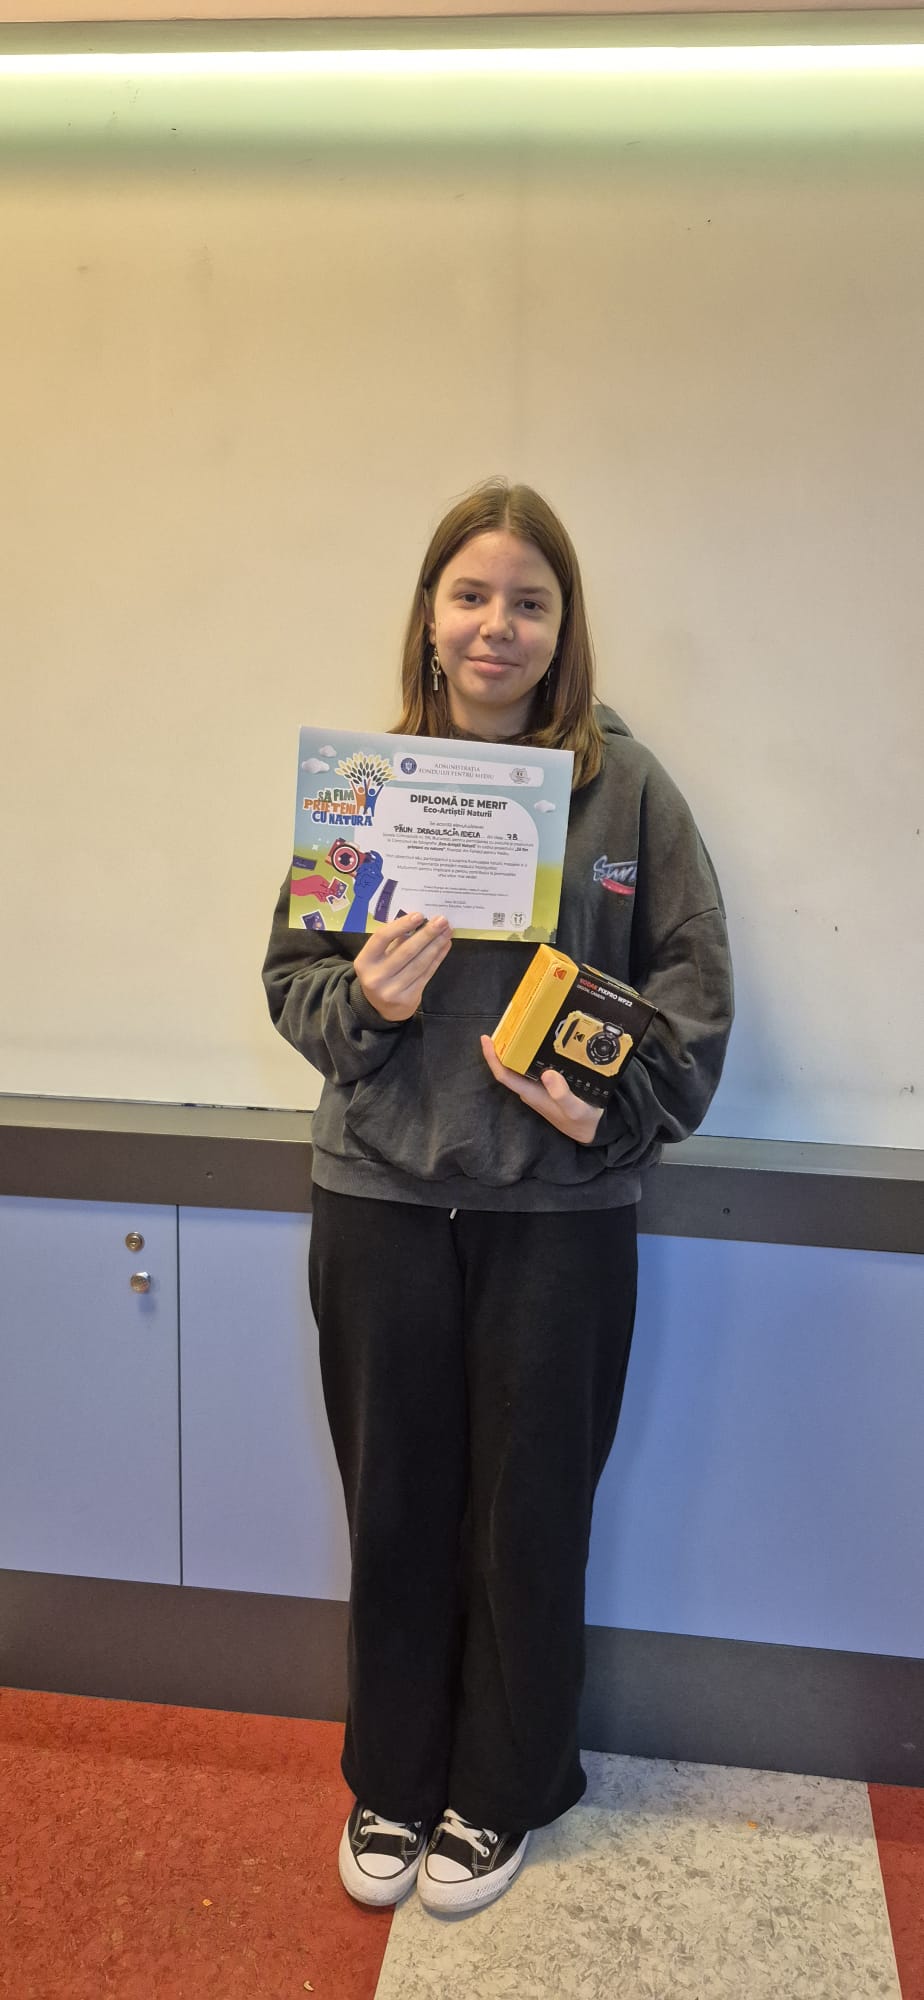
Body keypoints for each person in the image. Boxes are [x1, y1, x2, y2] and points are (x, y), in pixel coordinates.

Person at [262, 478, 734, 1919]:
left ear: (564, 628)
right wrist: (370, 1004)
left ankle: (504, 1789)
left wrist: (612, 1109)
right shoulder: (362, 787)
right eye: (471, 594)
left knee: (528, 1517)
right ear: (429, 615)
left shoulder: (628, 790)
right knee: (397, 1504)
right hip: (380, 1200)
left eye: (531, 601)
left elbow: (694, 990)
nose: (497, 625)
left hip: (558, 1220)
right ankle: (394, 1781)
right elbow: (293, 983)